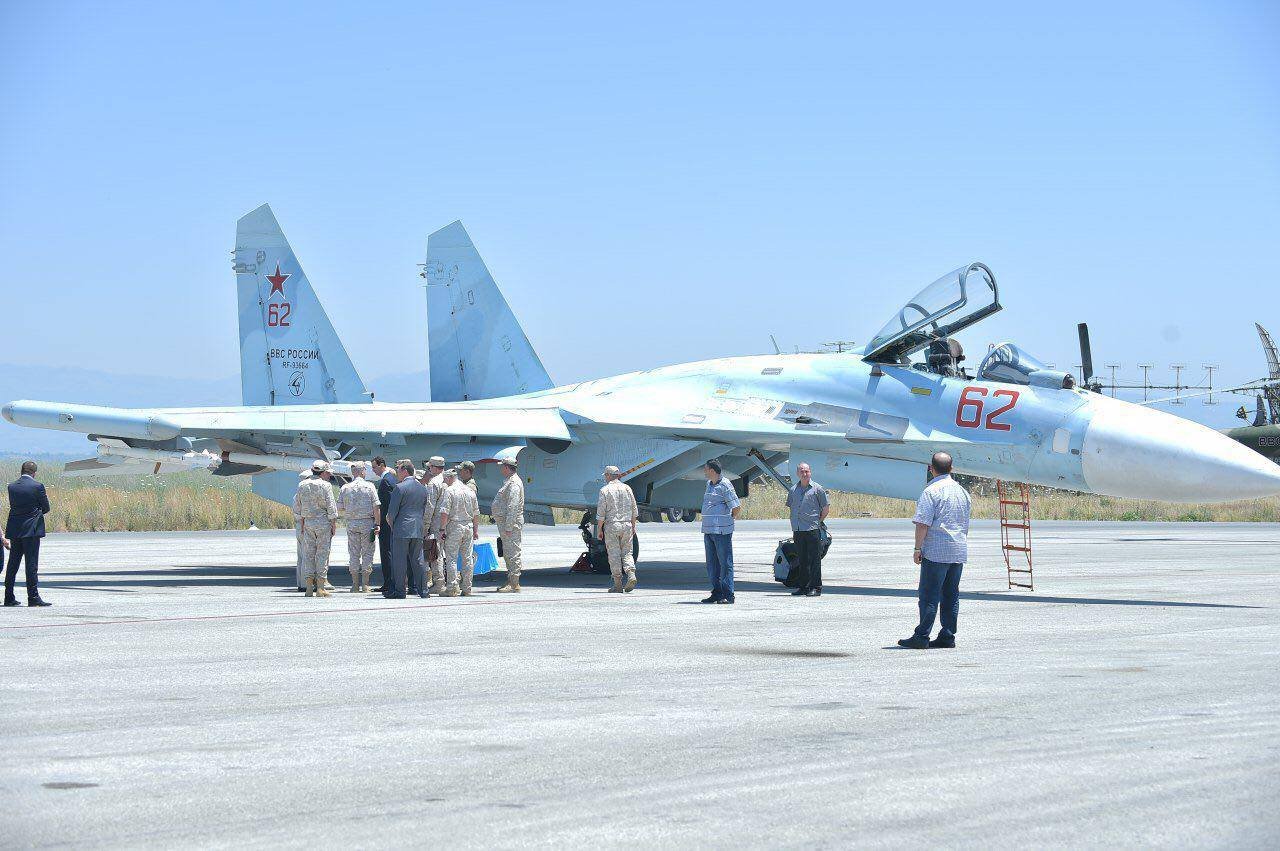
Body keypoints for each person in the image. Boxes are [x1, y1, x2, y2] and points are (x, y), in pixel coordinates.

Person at [899, 452, 971, 649]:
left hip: (937, 550)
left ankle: (922, 635)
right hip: (958, 550)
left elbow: (922, 523)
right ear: (951, 468)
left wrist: (917, 548)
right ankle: (947, 635)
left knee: (929, 595)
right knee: (951, 595)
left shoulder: (931, 491)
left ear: (931, 469)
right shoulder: (963, 492)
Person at [4, 461, 51, 607]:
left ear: (21, 471)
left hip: (15, 529)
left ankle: (8, 597)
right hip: (31, 530)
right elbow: (46, 507)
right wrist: (35, 513)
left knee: (13, 564)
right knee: (31, 564)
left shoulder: (11, 487)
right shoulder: (37, 486)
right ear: (34, 473)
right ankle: (33, 597)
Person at [384, 460, 429, 599]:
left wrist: (393, 526)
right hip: (417, 528)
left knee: (399, 561)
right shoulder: (423, 488)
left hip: (402, 529)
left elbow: (391, 514)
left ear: (405, 471)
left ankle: (400, 591)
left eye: (398, 470)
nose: (397, 473)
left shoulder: (399, 488)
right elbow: (423, 510)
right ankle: (424, 591)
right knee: (418, 560)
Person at [786, 462, 830, 597]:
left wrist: (817, 522)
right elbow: (791, 507)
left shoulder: (818, 489)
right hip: (798, 529)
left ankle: (815, 587)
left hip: (812, 529)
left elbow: (825, 508)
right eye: (802, 471)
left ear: (810, 472)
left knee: (814, 559)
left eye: (807, 471)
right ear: (797, 473)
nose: (804, 474)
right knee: (802, 559)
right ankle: (803, 587)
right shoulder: (793, 490)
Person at [700, 459, 741, 604]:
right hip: (708, 530)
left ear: (712, 470)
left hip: (721, 532)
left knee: (725, 563)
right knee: (712, 565)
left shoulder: (725, 484)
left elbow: (736, 507)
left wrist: (726, 521)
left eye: (706, 469)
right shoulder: (709, 484)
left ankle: (728, 594)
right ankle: (717, 593)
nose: (704, 471)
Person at [297, 460, 338, 598]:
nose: (328, 475)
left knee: (308, 554)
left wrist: (303, 521)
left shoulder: (302, 485)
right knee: (322, 554)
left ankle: (309, 587)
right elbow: (331, 506)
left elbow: (298, 506)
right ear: (323, 472)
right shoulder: (326, 485)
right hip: (323, 523)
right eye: (327, 472)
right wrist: (333, 524)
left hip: (308, 523)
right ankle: (320, 587)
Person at [338, 462, 381, 592]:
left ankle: (355, 584)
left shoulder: (345, 487)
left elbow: (340, 508)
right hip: (367, 523)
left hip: (351, 523)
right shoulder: (370, 486)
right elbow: (376, 507)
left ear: (353, 472)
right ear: (363, 471)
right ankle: (365, 584)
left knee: (353, 553)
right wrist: (377, 523)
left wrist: (351, 511)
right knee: (367, 553)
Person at [596, 465, 638, 593]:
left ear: (608, 475)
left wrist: (599, 529)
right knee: (627, 553)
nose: (605, 477)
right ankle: (631, 574)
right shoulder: (627, 488)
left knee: (614, 554)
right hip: (627, 525)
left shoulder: (604, 490)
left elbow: (601, 513)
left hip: (612, 526)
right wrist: (633, 526)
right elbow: (634, 509)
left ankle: (618, 584)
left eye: (605, 475)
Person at [439, 468, 480, 596]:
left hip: (455, 526)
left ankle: (452, 588)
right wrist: (475, 530)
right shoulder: (470, 491)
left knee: (451, 558)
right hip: (468, 526)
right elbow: (476, 513)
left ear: (449, 478)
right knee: (467, 558)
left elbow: (444, 512)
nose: (445, 482)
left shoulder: (450, 491)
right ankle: (467, 588)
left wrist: (442, 529)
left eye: (445, 479)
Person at [491, 458, 525, 592]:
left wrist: (509, 526)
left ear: (506, 467)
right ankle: (511, 580)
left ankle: (514, 583)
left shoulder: (514, 483)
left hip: (511, 524)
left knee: (513, 553)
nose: (501, 469)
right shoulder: (510, 482)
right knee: (508, 552)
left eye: (502, 467)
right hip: (506, 523)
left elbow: (513, 506)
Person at [420, 456, 447, 594]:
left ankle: (439, 584)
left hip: (437, 524)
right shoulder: (450, 480)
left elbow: (430, 507)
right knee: (451, 555)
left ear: (434, 468)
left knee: (436, 555)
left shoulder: (434, 483)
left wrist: (425, 527)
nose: (429, 469)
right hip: (450, 524)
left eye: (429, 467)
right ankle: (454, 583)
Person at [371, 456, 397, 592]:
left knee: (386, 552)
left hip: (386, 524)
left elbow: (387, 505)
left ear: (382, 465)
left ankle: (389, 583)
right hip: (390, 523)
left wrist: (381, 523)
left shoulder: (385, 481)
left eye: (374, 467)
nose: (373, 470)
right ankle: (390, 582)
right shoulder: (391, 478)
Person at [292, 470, 310, 592]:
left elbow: (296, 513)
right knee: (307, 555)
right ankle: (306, 584)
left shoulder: (297, 495)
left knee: (301, 556)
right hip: (306, 526)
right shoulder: (306, 495)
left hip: (299, 526)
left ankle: (301, 583)